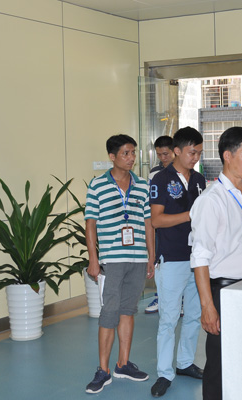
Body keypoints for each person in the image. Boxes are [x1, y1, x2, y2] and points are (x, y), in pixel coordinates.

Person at [190, 127, 242, 400]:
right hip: (225, 291)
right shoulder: (211, 200)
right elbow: (200, 257)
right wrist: (208, 307)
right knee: (220, 364)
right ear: (228, 156)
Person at [84, 134, 155, 394]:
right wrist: (93, 259)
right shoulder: (97, 185)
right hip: (111, 260)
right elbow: (90, 224)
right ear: (112, 156)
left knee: (128, 311)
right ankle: (103, 370)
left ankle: (123, 364)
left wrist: (151, 256)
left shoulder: (142, 185)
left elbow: (148, 223)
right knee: (109, 313)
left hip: (137, 259)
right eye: (126, 153)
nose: (131, 157)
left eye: (133, 152)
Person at [148, 127, 206, 397]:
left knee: (194, 315)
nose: (196, 157)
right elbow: (156, 220)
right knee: (169, 319)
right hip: (171, 258)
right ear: (177, 151)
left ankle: (184, 363)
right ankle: (164, 373)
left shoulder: (200, 180)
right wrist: (190, 215)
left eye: (199, 153)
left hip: (198, 258)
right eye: (192, 152)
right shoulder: (161, 179)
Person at [146, 135, 175, 314]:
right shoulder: (154, 173)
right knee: (159, 261)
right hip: (159, 224)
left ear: (174, 151)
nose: (163, 158)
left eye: (166, 154)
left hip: (178, 224)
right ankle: (159, 296)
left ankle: (180, 300)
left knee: (178, 264)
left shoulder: (184, 171)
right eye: (159, 154)